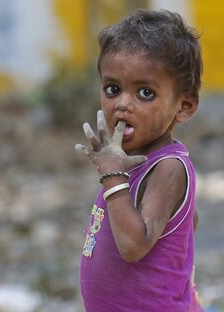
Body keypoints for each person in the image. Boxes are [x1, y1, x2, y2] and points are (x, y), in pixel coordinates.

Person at [74, 8, 203, 311]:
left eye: (145, 93)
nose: (122, 104)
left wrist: (113, 178)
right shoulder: (129, 159)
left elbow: (133, 247)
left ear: (183, 106)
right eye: (112, 89)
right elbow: (190, 221)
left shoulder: (168, 167)